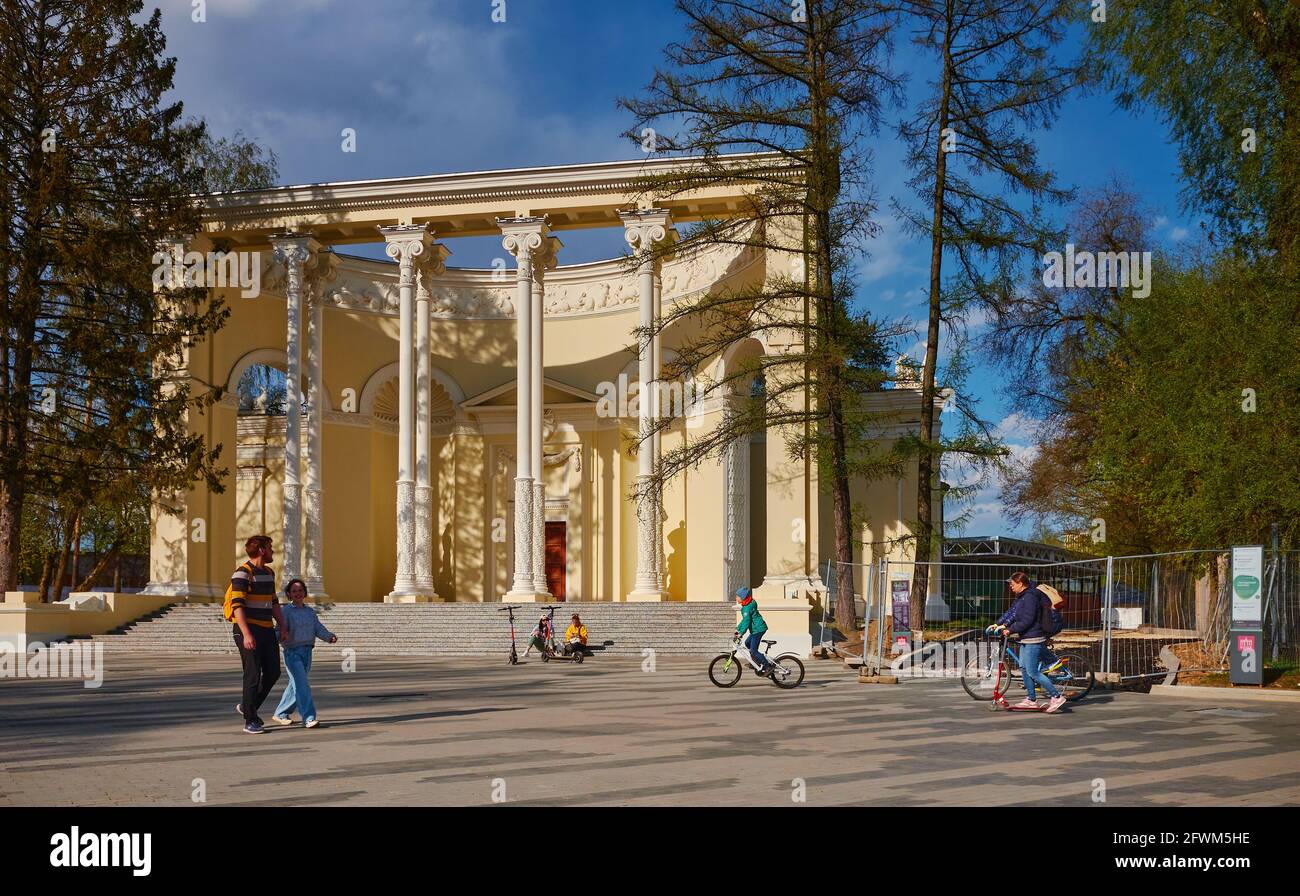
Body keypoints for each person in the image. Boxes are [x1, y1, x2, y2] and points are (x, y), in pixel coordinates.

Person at [988, 571, 1067, 713]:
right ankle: (1031, 699)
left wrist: (1010, 630)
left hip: (1033, 638)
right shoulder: (1021, 597)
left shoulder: (1030, 597)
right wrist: (999, 624)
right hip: (1026, 637)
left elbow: (1027, 619)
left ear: (1020, 583)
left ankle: (1056, 696)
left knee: (1032, 672)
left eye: (1012, 584)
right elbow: (1012, 613)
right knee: (1024, 668)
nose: (1010, 587)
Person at [230, 535, 285, 734]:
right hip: (248, 630)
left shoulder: (269, 572)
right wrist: (246, 634)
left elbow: (274, 602)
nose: (273, 551)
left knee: (273, 672)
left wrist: (283, 626)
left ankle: (247, 705)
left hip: (266, 629)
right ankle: (250, 720)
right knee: (252, 674)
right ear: (261, 550)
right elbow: (237, 606)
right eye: (270, 548)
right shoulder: (242, 573)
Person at [272, 579, 338, 729]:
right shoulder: (286, 611)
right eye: (294, 591)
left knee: (295, 685)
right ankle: (308, 717)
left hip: (307, 652)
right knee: (302, 685)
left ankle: (281, 713)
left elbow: (318, 628)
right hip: (292, 652)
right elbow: (278, 631)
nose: (297, 593)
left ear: (305, 593)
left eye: (300, 590)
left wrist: (329, 637)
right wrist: (280, 636)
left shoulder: (309, 611)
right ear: (289, 594)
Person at [734, 586, 772, 674]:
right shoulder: (748, 604)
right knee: (747, 643)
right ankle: (756, 662)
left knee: (754, 651)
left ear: (743, 597)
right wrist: (738, 628)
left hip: (758, 630)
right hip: (756, 629)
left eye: (737, 596)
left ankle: (767, 666)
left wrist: (741, 633)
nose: (736, 598)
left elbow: (747, 621)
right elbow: (744, 620)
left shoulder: (747, 608)